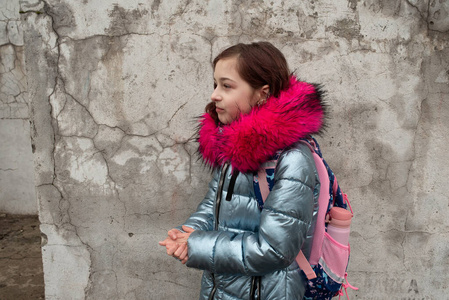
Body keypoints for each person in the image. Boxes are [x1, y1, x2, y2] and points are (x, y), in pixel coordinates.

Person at [159, 41, 325, 299]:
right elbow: (212, 204)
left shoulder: (292, 160)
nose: (215, 95)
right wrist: (188, 234)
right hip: (221, 288)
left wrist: (198, 247)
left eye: (226, 86)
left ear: (262, 93)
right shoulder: (232, 147)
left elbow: (276, 250)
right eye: (215, 84)